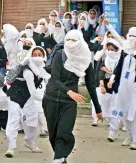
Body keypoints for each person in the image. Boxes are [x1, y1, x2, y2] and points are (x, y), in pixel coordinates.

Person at [43, 30, 103, 163]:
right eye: (68, 40)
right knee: (53, 135)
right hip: (51, 98)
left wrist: (98, 109)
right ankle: (60, 158)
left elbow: (91, 85)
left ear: (80, 41)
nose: (70, 43)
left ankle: (58, 159)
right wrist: (69, 91)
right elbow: (55, 78)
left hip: (69, 103)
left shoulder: (86, 58)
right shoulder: (60, 54)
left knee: (64, 133)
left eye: (73, 40)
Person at [5, 46, 51, 158]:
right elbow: (34, 93)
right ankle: (11, 147)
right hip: (15, 96)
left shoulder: (42, 70)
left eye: (40, 55)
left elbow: (48, 80)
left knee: (32, 122)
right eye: (34, 55)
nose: (37, 57)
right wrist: (47, 99)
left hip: (28, 99)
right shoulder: (27, 71)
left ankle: (30, 142)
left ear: (44, 56)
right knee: (14, 120)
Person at [108, 27, 136, 150]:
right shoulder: (124, 51)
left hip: (134, 86)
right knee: (124, 112)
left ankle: (135, 139)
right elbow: (119, 67)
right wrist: (111, 80)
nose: (131, 39)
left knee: (133, 113)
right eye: (130, 36)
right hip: (123, 85)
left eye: (134, 37)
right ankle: (129, 136)